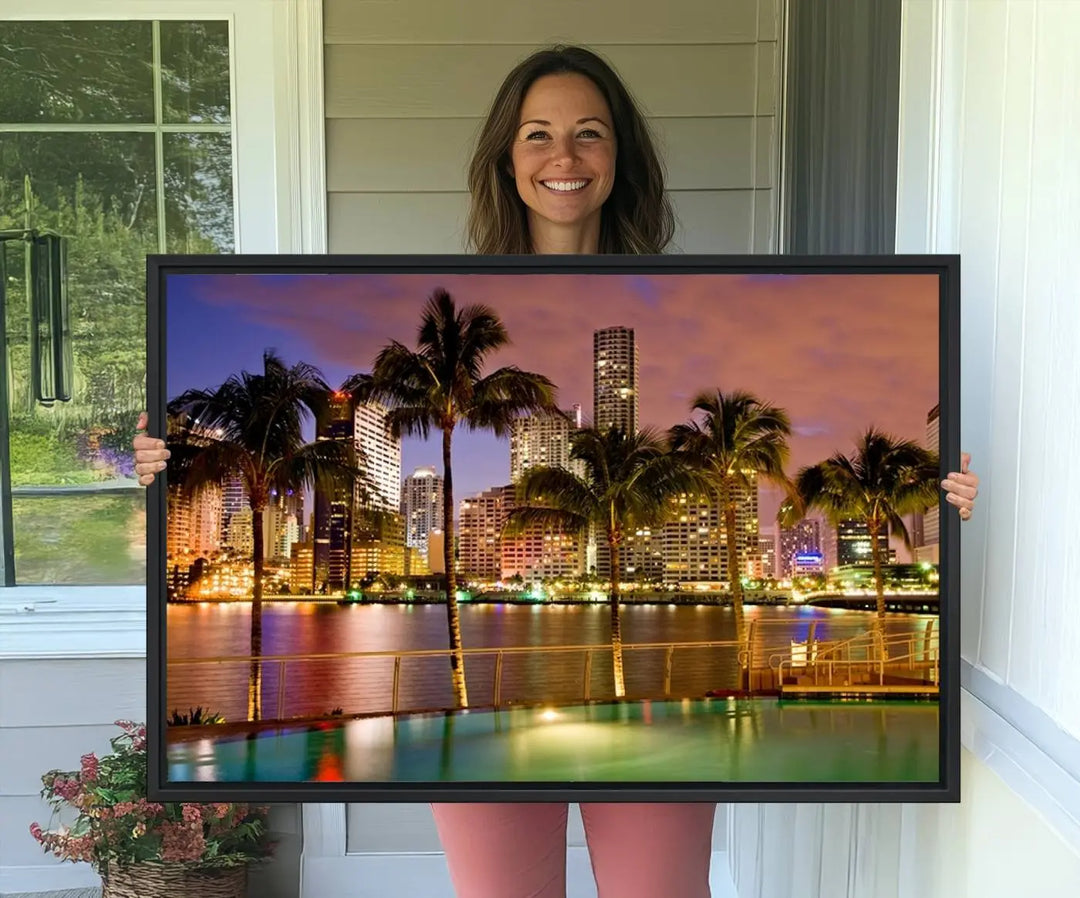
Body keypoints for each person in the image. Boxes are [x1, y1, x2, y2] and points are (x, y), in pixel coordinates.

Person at [133, 45, 980, 898]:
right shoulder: (453, 309)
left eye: (589, 134)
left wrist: (944, 500)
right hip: (493, 734)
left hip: (632, 726)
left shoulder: (682, 295)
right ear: (508, 156)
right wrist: (165, 467)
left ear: (620, 158)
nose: (564, 157)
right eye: (538, 134)